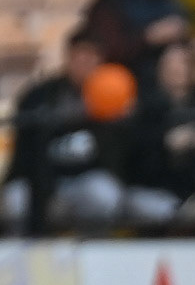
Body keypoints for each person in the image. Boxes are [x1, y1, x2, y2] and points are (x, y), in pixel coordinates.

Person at [0, 28, 176, 234]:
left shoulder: (115, 93)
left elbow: (128, 158)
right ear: (68, 58)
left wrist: (121, 123)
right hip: (44, 178)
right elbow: (26, 151)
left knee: (104, 194)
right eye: (80, 56)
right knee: (16, 200)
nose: (84, 64)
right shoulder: (41, 96)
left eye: (91, 57)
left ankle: (93, 246)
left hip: (86, 178)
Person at [127, 41, 195, 232]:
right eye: (170, 64)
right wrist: (166, 143)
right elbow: (134, 156)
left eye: (183, 63)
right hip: (155, 190)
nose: (177, 70)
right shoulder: (146, 107)